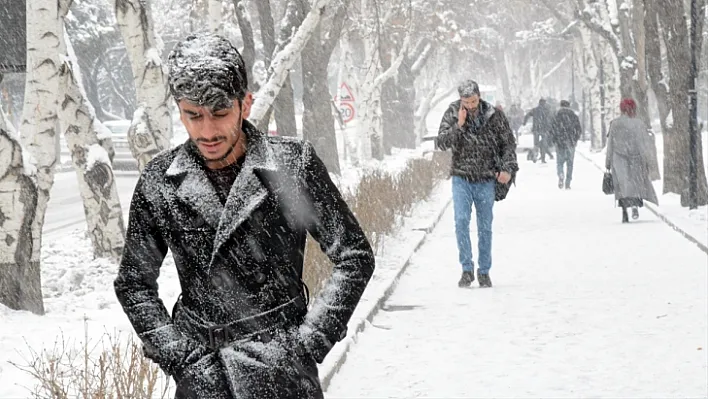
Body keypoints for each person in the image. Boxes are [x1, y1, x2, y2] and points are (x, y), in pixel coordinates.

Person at [114, 33, 375, 399]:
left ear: (245, 104)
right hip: (204, 379)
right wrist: (180, 357)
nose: (207, 131)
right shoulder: (160, 181)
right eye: (193, 115)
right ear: (179, 110)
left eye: (220, 113)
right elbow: (133, 283)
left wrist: (308, 342)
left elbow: (354, 255)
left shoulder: (291, 166)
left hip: (282, 375)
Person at [435, 80, 518, 288]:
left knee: (484, 226)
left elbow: (508, 142)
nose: (471, 106)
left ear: (479, 96)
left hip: (486, 177)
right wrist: (459, 126)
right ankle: (466, 268)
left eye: (473, 101)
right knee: (461, 222)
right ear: (460, 99)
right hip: (461, 177)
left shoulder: (493, 115)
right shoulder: (453, 112)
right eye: (466, 101)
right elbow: (442, 142)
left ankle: (484, 271)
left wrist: (507, 168)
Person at [605, 98, 658, 223]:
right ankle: (635, 205)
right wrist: (646, 160)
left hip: (618, 158)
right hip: (636, 158)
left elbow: (610, 144)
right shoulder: (639, 124)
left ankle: (624, 210)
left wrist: (608, 162)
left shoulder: (615, 123)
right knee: (636, 183)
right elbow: (643, 143)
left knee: (623, 185)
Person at [550, 100, 582, 189]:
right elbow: (579, 129)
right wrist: (575, 139)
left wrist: (554, 140)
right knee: (570, 164)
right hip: (570, 142)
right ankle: (568, 183)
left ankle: (560, 174)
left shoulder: (556, 116)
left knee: (559, 163)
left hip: (560, 143)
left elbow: (552, 129)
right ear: (569, 106)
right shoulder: (574, 116)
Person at [523, 99, 554, 163]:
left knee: (536, 144)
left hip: (536, 129)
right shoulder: (547, 110)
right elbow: (551, 119)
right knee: (543, 144)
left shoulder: (535, 110)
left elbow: (527, 115)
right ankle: (543, 158)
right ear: (544, 103)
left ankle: (535, 156)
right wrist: (551, 127)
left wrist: (524, 122)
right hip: (544, 129)